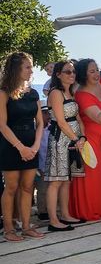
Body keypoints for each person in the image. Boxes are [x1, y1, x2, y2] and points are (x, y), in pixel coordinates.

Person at [0, 52, 45, 241]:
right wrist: (21, 147)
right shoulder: (3, 92)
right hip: (11, 145)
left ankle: (26, 226)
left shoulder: (33, 93)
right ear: (16, 69)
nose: (31, 71)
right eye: (27, 67)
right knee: (11, 187)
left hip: (31, 145)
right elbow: (2, 125)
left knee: (28, 187)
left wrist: (34, 146)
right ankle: (9, 228)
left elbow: (40, 123)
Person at [69, 59, 101, 221]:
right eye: (92, 71)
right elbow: (99, 117)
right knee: (91, 176)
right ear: (83, 75)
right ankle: (87, 210)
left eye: (97, 69)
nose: (97, 74)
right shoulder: (82, 95)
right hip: (90, 140)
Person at [45, 61, 86, 232]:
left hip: (73, 140)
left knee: (67, 180)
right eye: (67, 71)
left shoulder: (70, 93)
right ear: (58, 74)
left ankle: (66, 215)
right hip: (60, 140)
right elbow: (61, 122)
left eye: (73, 71)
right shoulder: (56, 93)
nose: (72, 74)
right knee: (56, 181)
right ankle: (53, 220)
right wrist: (76, 139)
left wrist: (82, 136)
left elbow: (78, 118)